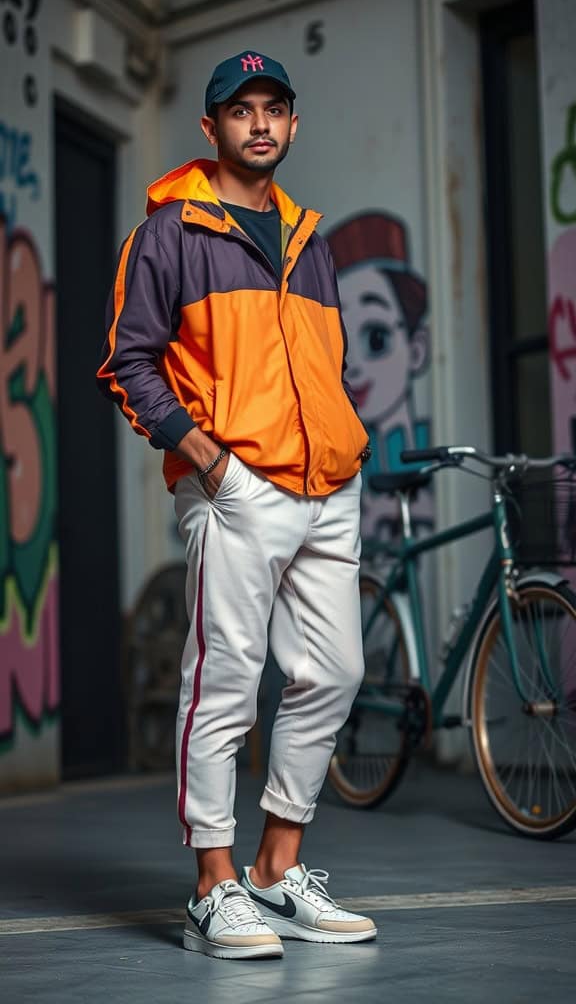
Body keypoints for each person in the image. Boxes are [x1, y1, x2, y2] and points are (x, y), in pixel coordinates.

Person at [97, 51, 377, 961]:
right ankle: (213, 888)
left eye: (275, 108)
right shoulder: (171, 233)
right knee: (223, 683)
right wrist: (208, 458)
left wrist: (340, 444)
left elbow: (320, 371)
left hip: (329, 484)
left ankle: (274, 873)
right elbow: (127, 362)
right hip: (237, 485)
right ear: (211, 128)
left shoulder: (311, 239)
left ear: (293, 126)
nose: (259, 123)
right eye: (240, 109)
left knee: (332, 673)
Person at [326, 212, 432, 538]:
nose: (353, 366)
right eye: (339, 345)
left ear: (416, 349)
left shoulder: (428, 442)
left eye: (376, 338)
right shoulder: (344, 449)